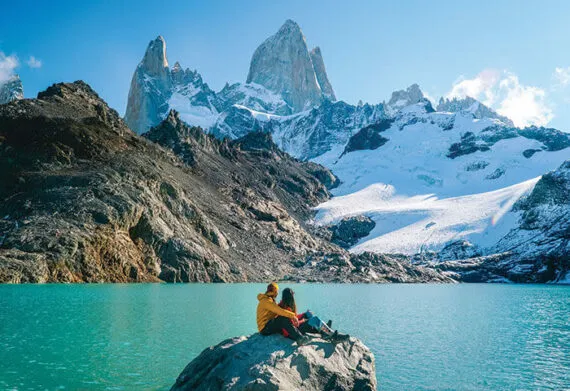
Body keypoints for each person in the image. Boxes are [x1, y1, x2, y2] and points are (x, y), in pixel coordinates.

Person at [279, 287, 350, 343]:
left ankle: (324, 330)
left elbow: (294, 317)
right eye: (292, 295)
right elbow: (290, 325)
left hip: (295, 326)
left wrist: (304, 314)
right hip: (290, 333)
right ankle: (333, 336)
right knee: (314, 320)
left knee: (309, 315)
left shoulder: (285, 304)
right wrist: (304, 320)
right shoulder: (284, 308)